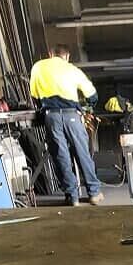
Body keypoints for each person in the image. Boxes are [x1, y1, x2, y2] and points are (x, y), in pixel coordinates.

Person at [30, 44, 104, 206]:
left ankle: (72, 196)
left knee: (61, 155)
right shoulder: (72, 70)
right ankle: (93, 193)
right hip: (72, 116)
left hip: (51, 117)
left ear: (50, 54)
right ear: (67, 56)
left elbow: (34, 94)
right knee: (82, 153)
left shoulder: (38, 67)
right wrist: (88, 106)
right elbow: (92, 95)